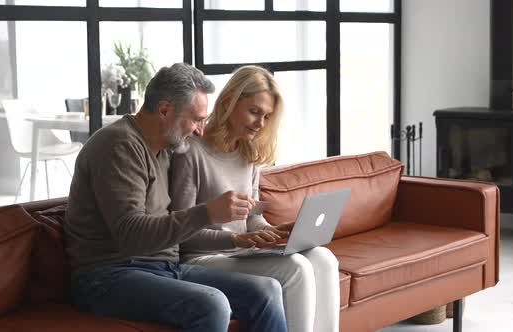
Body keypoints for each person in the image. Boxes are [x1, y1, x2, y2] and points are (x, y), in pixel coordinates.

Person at [64, 63, 287, 332]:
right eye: (195, 119)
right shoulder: (118, 145)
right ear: (164, 110)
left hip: (162, 266)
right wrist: (207, 213)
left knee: (266, 291)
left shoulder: (163, 149)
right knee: (212, 304)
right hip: (107, 276)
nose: (200, 131)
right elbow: (131, 235)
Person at [170, 65, 341, 332]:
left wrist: (272, 232)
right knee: (296, 268)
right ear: (229, 102)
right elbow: (180, 232)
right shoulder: (191, 152)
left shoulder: (248, 154)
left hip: (241, 252)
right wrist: (236, 239)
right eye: (254, 112)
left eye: (266, 116)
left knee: (324, 258)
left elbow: (253, 217)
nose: (260, 123)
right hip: (201, 258)